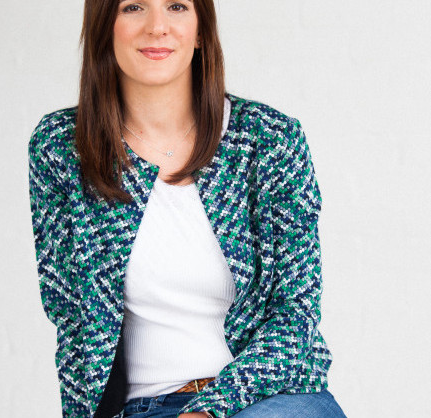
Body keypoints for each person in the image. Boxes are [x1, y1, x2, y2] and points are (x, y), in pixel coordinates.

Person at [28, 0, 347, 417]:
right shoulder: (62, 148)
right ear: (104, 25)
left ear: (200, 31)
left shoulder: (270, 139)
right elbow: (71, 316)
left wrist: (209, 409)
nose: (157, 26)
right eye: (133, 7)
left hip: (272, 398)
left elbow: (296, 311)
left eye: (177, 6)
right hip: (142, 407)